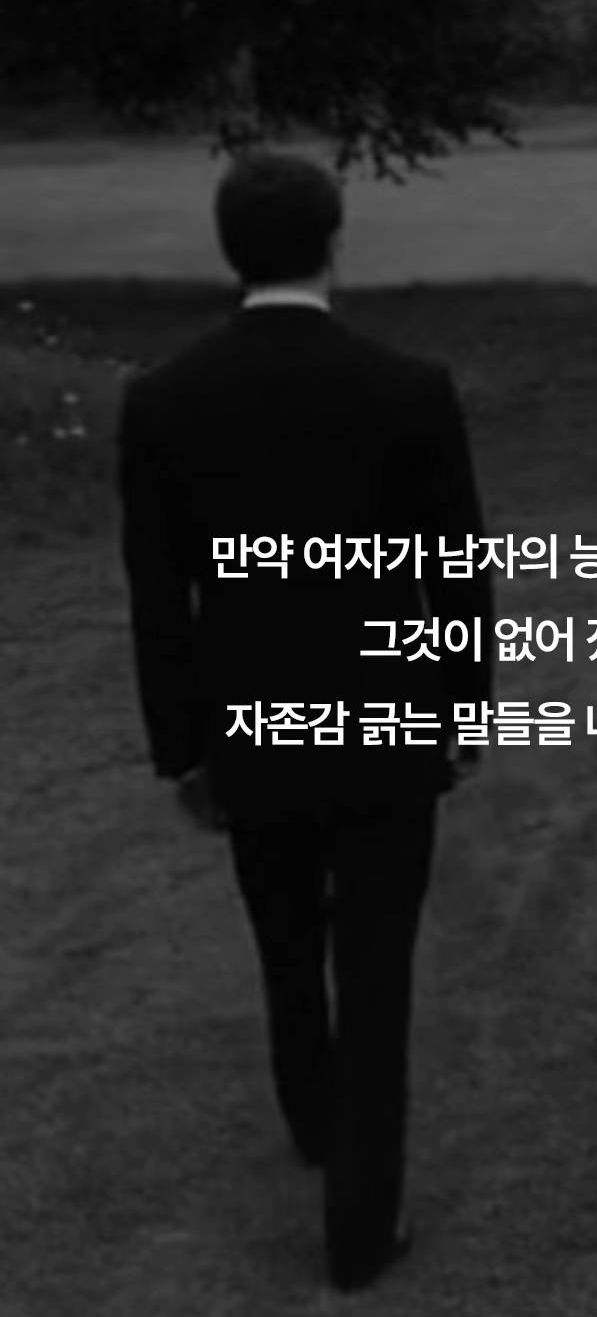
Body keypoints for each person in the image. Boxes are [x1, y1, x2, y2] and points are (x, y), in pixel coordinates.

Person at [117, 151, 493, 1290]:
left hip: (252, 716)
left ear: (231, 250)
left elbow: (159, 595)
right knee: (377, 964)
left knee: (285, 938)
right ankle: (362, 1219)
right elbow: (455, 572)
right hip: (386, 712)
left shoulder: (165, 400)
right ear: (335, 243)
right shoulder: (408, 388)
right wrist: (463, 709)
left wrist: (182, 747)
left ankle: (315, 1114)